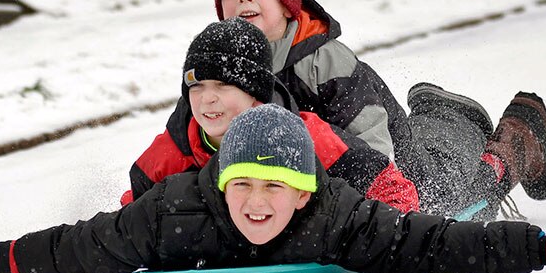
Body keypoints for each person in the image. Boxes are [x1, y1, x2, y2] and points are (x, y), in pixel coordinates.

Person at [0, 105, 546, 273]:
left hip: (413, 165)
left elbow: (444, 248)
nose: (256, 202)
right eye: (243, 184)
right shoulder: (178, 211)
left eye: (275, 188)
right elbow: (85, 247)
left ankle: (483, 131)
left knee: (455, 205)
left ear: (305, 191)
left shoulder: (338, 215)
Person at [209, 0, 546, 221]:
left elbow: (373, 139)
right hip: (309, 183)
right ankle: (435, 114)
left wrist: (377, 211)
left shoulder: (324, 63)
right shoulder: (218, 68)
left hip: (391, 167)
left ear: (288, 3)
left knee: (451, 197)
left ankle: (512, 138)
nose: (244, 0)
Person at [123, 17, 419, 215]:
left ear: (255, 92)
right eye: (196, 86)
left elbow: (388, 186)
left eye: (223, 85)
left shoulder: (306, 137)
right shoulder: (172, 152)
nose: (206, 98)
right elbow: (127, 222)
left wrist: (400, 254)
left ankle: (448, 112)